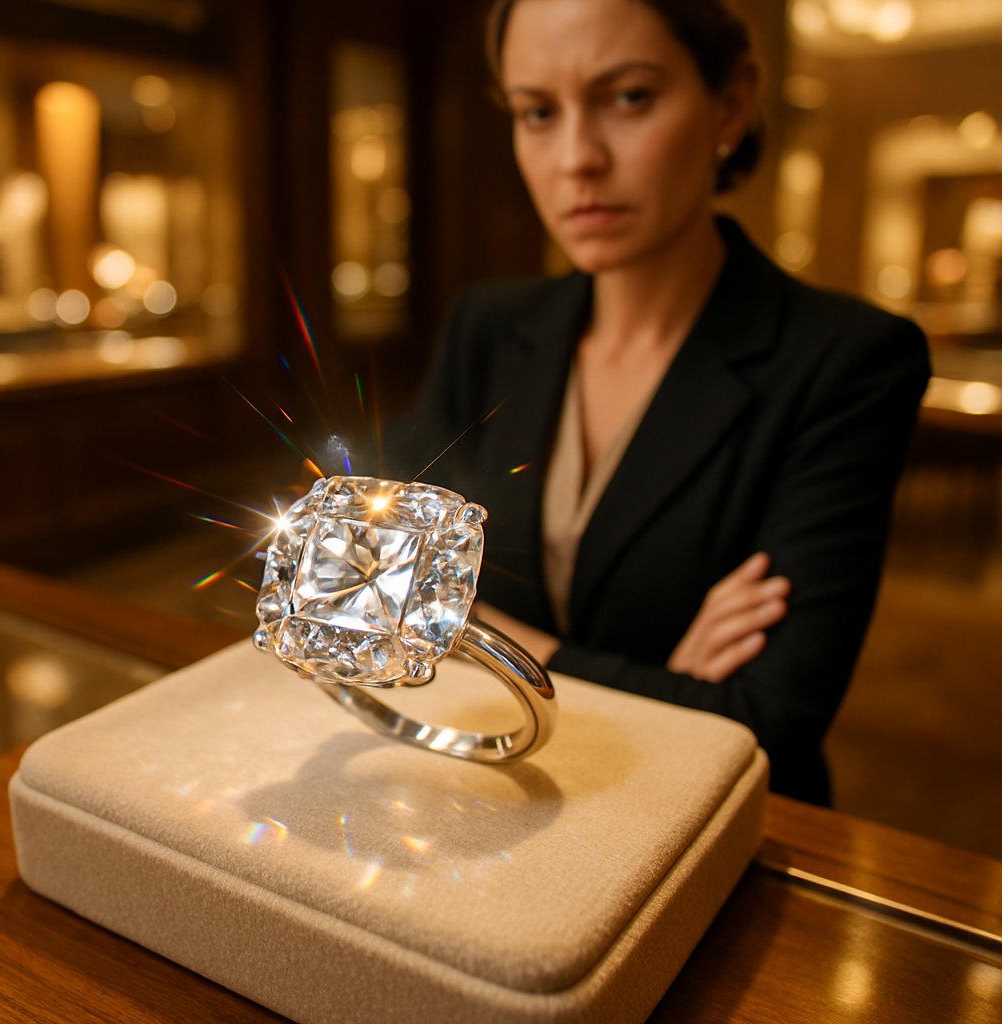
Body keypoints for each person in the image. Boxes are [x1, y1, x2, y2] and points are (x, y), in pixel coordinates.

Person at [391, 0, 930, 804]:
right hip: (486, 786)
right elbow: (376, 587)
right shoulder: (489, 326)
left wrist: (479, 629)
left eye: (630, 97)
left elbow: (763, 719)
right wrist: (661, 684)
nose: (578, 157)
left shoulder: (845, 360)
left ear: (731, 103)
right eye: (538, 111)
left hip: (714, 828)